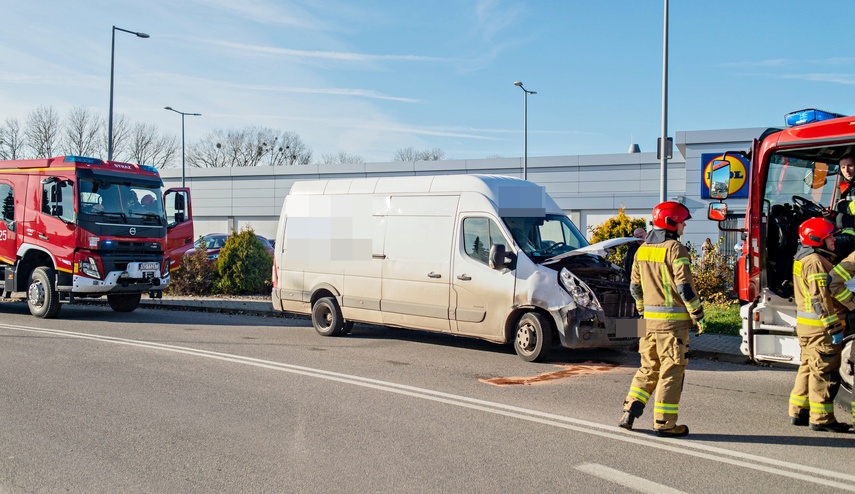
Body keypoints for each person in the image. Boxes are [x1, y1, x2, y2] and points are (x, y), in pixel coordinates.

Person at [618, 201, 705, 438]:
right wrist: (698, 314)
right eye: (681, 221)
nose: (684, 225)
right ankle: (665, 423)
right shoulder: (676, 249)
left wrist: (642, 310)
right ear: (670, 223)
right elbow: (685, 287)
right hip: (672, 327)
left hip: (646, 323)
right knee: (670, 372)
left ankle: (629, 412)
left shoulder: (642, 250)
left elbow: (634, 287)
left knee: (648, 368)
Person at [788, 217, 850, 432]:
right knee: (823, 371)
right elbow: (819, 298)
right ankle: (822, 418)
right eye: (829, 236)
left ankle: (798, 411)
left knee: (807, 367)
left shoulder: (803, 257)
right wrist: (833, 328)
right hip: (821, 329)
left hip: (807, 327)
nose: (833, 239)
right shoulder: (815, 261)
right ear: (817, 239)